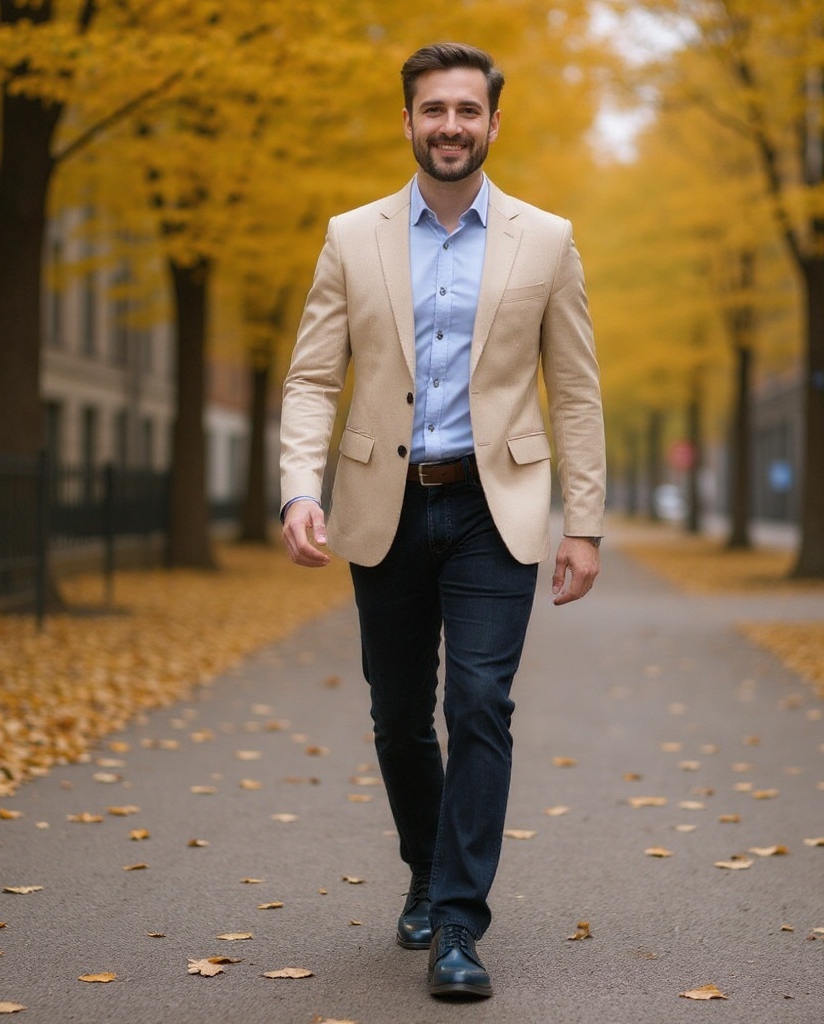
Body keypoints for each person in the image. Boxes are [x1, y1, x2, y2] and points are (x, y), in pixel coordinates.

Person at [279, 42, 606, 1000]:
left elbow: (575, 392)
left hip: (493, 507)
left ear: (493, 123)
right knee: (396, 716)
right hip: (383, 503)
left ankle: (458, 924)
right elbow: (310, 378)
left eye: (468, 109)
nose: (451, 125)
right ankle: (424, 866)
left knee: (479, 705)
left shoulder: (545, 240)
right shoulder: (352, 236)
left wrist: (580, 521)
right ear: (410, 121)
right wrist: (301, 488)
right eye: (434, 110)